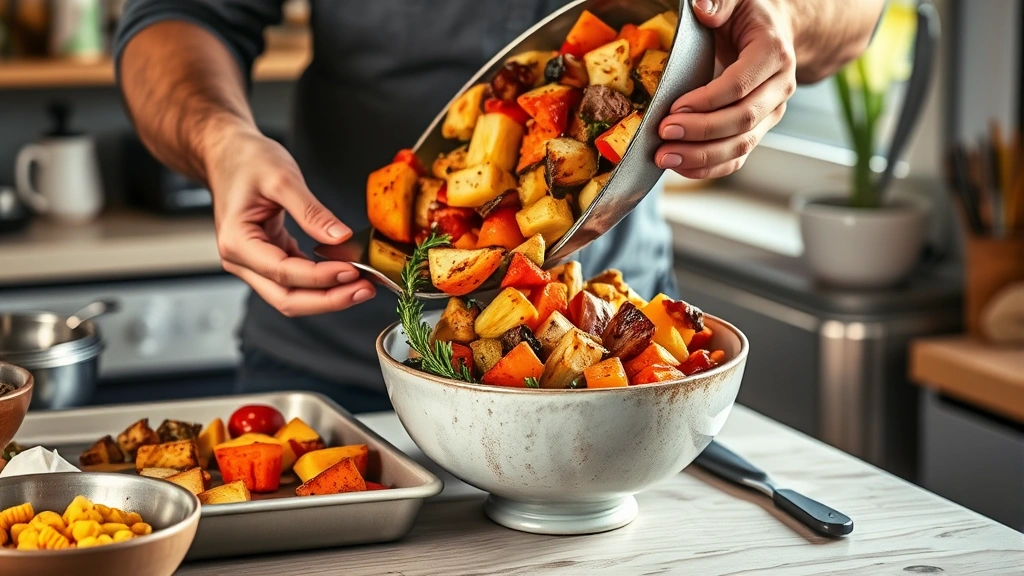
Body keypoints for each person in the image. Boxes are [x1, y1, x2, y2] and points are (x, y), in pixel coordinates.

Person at [115, 0, 885, 412]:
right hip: (333, 359)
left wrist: (780, 14)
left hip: (622, 367)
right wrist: (217, 137)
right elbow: (176, 15)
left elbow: (856, 16)